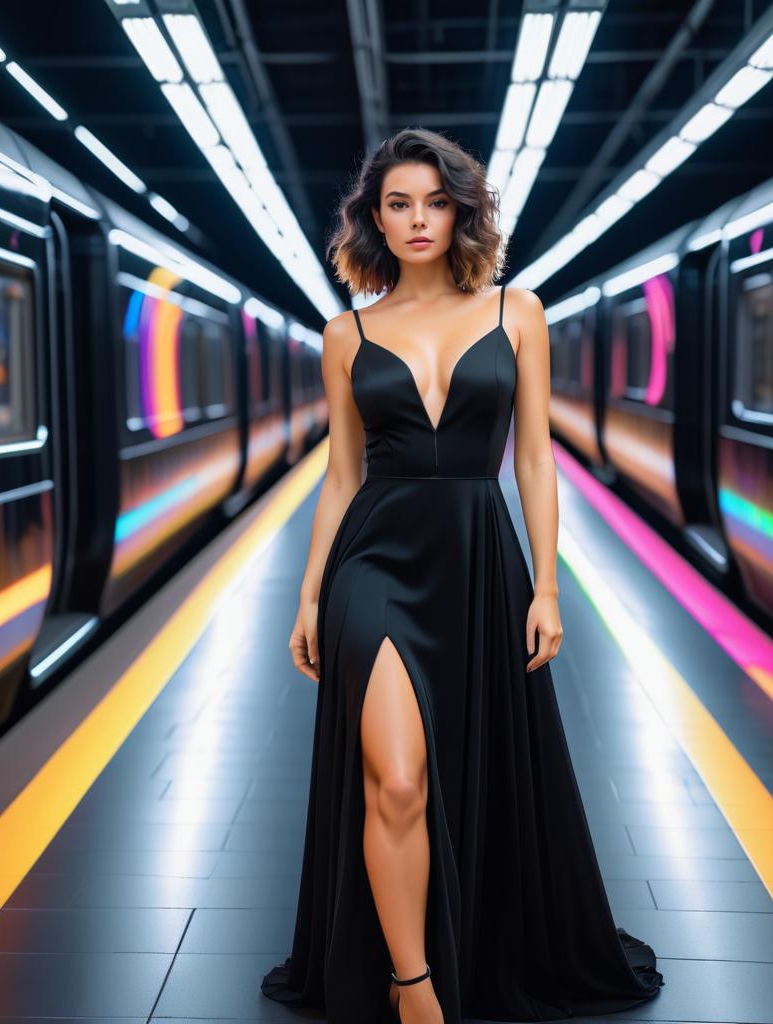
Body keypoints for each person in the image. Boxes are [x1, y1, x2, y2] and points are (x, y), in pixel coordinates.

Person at [261, 127, 664, 1024]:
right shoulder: (345, 333)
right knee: (396, 779)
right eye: (397, 203)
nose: (417, 220)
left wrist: (548, 586)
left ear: (462, 211)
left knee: (463, 765)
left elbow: (533, 462)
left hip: (482, 559)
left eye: (435, 202)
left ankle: (462, 947)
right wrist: (311, 594)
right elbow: (339, 477)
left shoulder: (518, 312)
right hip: (375, 564)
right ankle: (412, 986)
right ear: (374, 217)